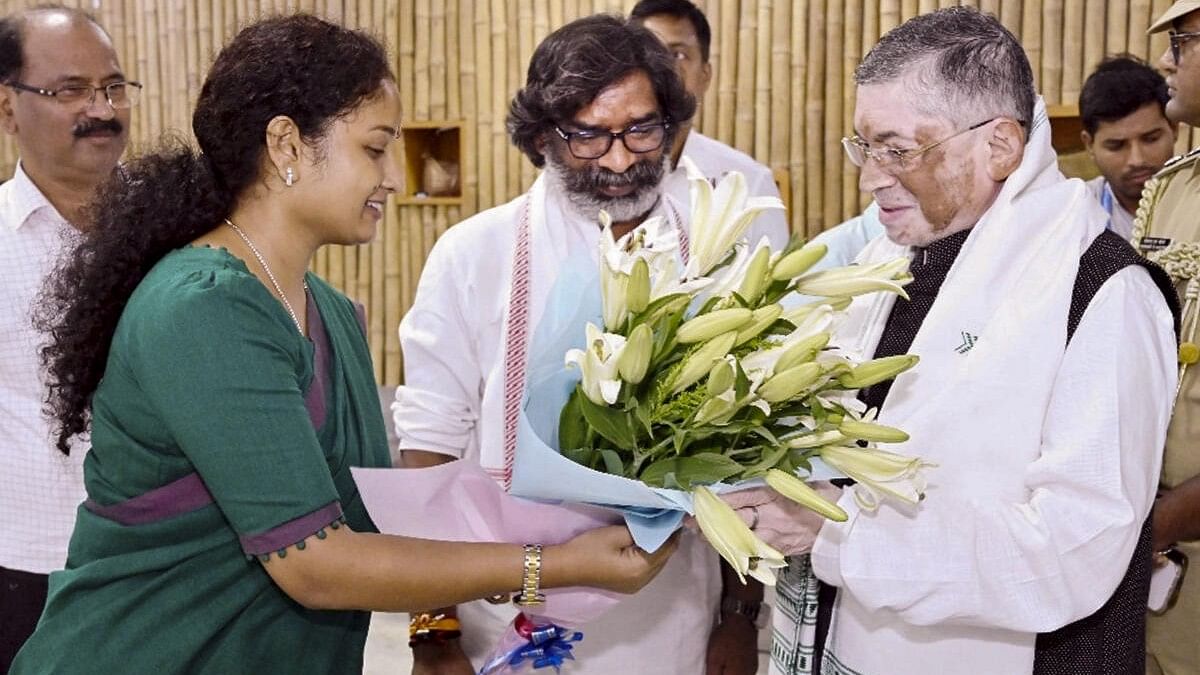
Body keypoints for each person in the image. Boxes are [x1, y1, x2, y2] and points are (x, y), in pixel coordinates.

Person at [9, 15, 674, 674]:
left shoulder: (329, 311)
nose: (388, 176)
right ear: (288, 146)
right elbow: (316, 562)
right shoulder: (202, 307)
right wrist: (549, 566)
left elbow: (368, 526)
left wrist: (559, 535)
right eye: (373, 147)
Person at [754, 7, 1178, 675]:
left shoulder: (1101, 293)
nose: (870, 176)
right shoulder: (889, 265)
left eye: (898, 149)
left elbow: (1074, 552)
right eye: (864, 146)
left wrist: (838, 533)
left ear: (1000, 146)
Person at [394, 14, 748, 675]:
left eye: (640, 129)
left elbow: (752, 448)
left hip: (668, 617)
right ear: (541, 138)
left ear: (672, 124)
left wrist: (740, 617)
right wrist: (433, 628)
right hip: (501, 611)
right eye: (588, 136)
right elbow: (430, 442)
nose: (618, 158)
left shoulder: (720, 253)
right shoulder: (474, 252)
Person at [0, 6, 130, 669]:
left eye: (112, 87)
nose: (101, 108)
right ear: (7, 108)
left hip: (160, 567)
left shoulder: (181, 232)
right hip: (29, 571)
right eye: (70, 90)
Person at [1137, 4, 1200, 674]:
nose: (1165, 60)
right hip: (1158, 546)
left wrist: (1168, 515)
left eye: (1181, 41)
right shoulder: (1171, 190)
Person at [630, 0, 790, 252]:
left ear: (705, 75)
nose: (663, 68)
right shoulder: (588, 172)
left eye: (678, 54)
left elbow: (774, 289)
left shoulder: (750, 184)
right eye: (649, 54)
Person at [1079, 55, 1177, 240]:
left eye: (1151, 139)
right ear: (1089, 144)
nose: (1137, 160)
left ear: (1174, 128)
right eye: (1117, 146)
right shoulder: (1072, 214)